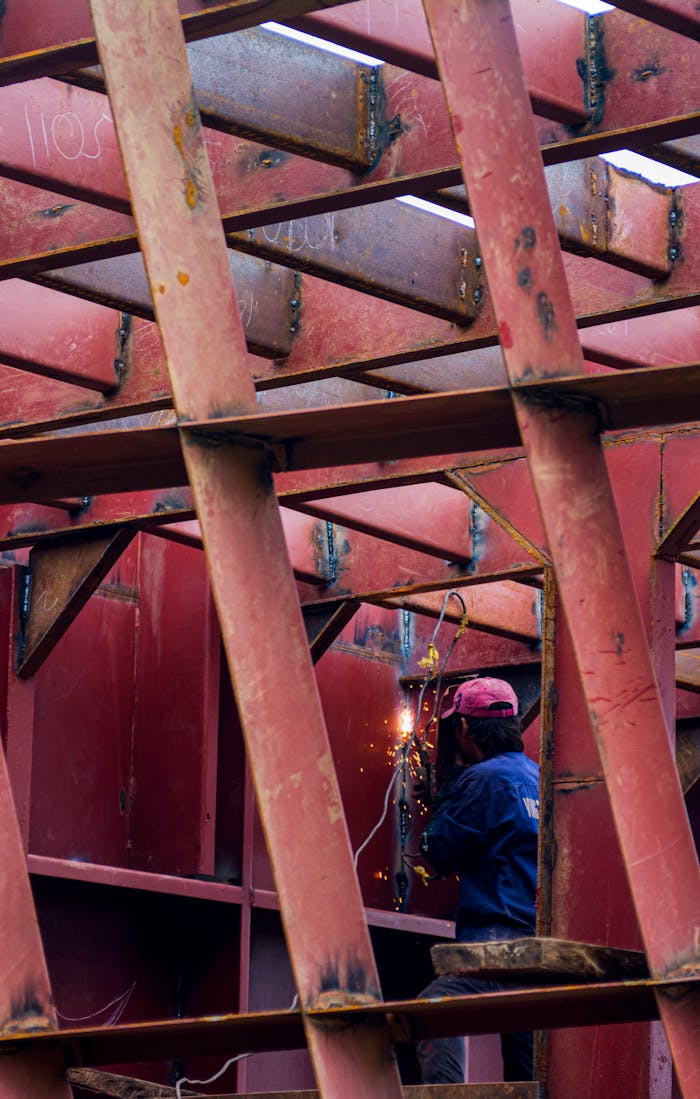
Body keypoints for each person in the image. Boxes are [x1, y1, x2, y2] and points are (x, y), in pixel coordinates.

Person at [415, 676, 539, 1084]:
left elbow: (438, 851)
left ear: (464, 728)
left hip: (497, 944)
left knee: (435, 1007)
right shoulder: (539, 777)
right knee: (526, 1066)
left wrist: (446, 795)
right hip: (538, 949)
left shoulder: (482, 779)